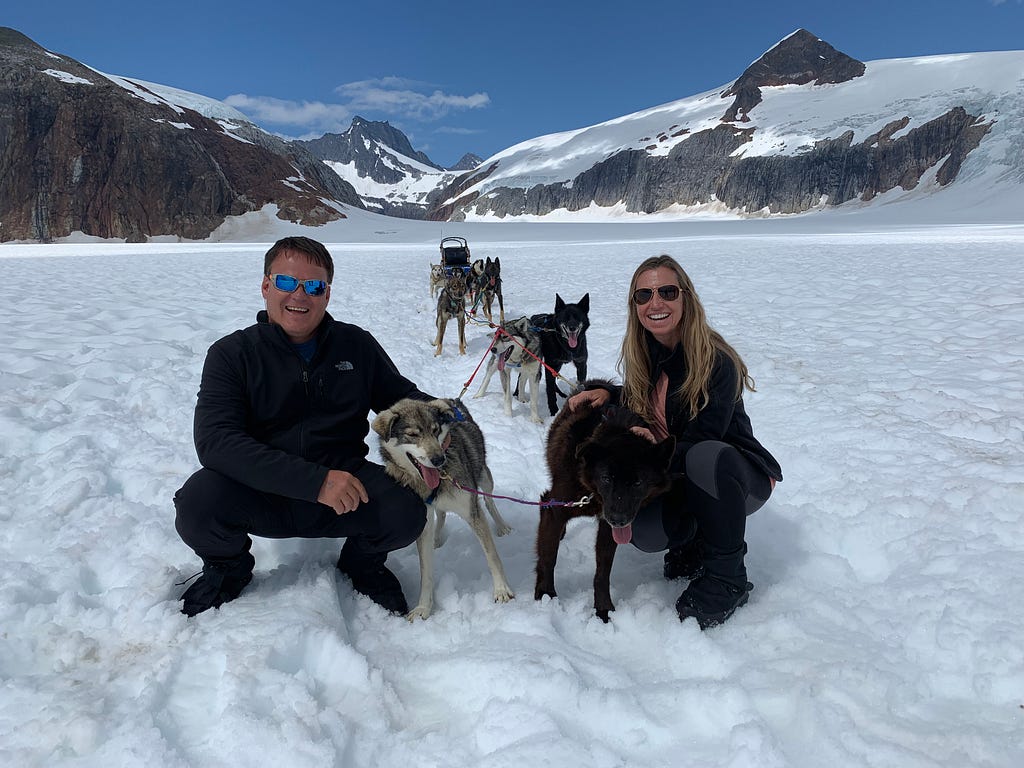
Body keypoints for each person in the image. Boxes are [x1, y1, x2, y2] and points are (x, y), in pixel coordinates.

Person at [174, 236, 430, 617]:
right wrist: (316, 483)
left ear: (326, 294)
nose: (300, 295)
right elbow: (217, 442)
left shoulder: (355, 345)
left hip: (347, 489)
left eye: (314, 286)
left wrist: (449, 418)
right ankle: (228, 570)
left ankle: (363, 565)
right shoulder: (232, 355)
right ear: (265, 286)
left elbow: (402, 402)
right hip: (262, 491)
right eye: (286, 282)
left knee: (406, 508)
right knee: (197, 503)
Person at [568, 254, 782, 629]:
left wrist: (651, 446)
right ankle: (695, 543)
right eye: (643, 295)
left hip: (732, 477)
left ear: (686, 297)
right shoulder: (645, 356)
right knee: (647, 532)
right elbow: (648, 403)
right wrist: (609, 395)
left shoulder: (716, 361)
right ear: (634, 306)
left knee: (702, 456)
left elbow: (703, 437)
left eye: (667, 291)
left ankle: (727, 577)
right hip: (682, 471)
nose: (656, 303)